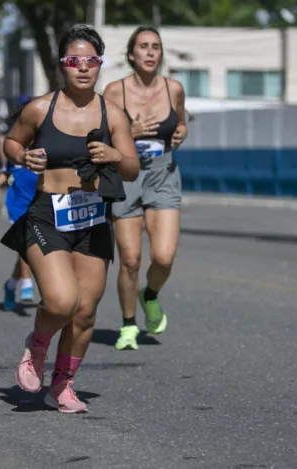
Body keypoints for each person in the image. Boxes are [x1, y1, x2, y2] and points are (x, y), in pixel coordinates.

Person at [0, 25, 139, 413]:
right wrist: (22, 157)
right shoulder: (39, 108)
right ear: (62, 64)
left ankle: (62, 386)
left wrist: (116, 157)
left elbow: (131, 167)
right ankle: (37, 345)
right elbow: (12, 141)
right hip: (48, 215)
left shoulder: (113, 114)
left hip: (93, 218)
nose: (83, 67)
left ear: (99, 64)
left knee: (86, 311)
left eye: (91, 60)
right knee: (61, 302)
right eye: (74, 60)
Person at [103, 26, 188, 351]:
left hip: (162, 172)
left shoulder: (173, 89)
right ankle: (128, 325)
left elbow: (181, 123)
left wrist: (181, 132)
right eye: (143, 46)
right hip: (126, 173)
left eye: (155, 46)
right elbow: (100, 136)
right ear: (131, 54)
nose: (151, 52)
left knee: (163, 257)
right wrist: (130, 131)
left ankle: (149, 294)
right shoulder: (114, 92)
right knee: (130, 259)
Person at [0, 98, 38, 310]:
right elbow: (6, 172)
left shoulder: (47, 144)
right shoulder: (16, 145)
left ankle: (11, 284)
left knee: (31, 251)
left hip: (40, 203)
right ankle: (26, 284)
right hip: (19, 203)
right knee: (26, 246)